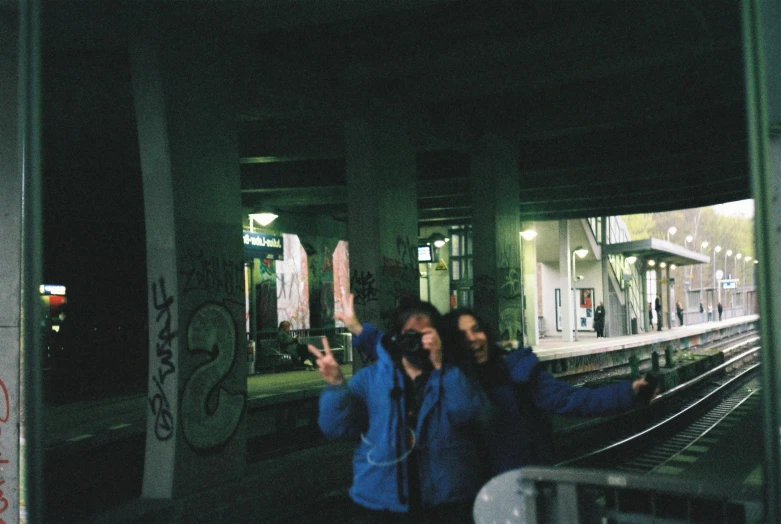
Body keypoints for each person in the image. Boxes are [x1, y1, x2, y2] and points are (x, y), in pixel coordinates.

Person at [308, 294, 487, 523]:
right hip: (379, 501)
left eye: (426, 335)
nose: (417, 342)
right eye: (410, 335)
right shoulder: (371, 379)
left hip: (444, 500)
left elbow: (469, 414)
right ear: (397, 339)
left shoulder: (453, 375)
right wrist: (335, 386)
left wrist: (441, 365)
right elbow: (335, 428)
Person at [438, 308, 654, 477]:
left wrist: (628, 392)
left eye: (476, 329)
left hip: (524, 484)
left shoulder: (518, 371)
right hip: (473, 493)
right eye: (461, 335)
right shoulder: (444, 385)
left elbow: (570, 399)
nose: (472, 338)